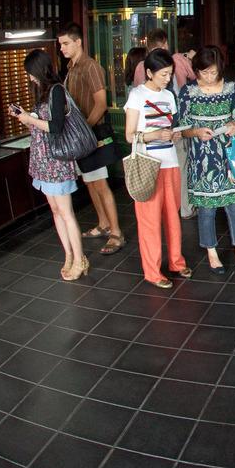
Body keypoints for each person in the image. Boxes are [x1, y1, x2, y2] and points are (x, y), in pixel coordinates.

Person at [13, 49, 87, 281]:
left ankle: (80, 258)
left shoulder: (56, 91)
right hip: (43, 160)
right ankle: (68, 255)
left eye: (30, 73)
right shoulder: (43, 93)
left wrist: (30, 119)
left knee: (66, 212)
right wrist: (26, 117)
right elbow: (42, 125)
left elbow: (55, 127)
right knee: (56, 211)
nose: (29, 78)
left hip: (56, 161)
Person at [178, 45, 235, 273]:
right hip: (202, 158)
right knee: (207, 208)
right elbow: (181, 128)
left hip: (229, 154)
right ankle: (212, 252)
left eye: (213, 73)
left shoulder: (230, 86)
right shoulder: (188, 91)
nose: (209, 78)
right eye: (204, 72)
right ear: (196, 70)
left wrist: (234, 125)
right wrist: (197, 132)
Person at [123, 47, 190, 288]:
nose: (167, 78)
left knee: (173, 217)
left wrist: (174, 135)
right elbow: (130, 136)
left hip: (170, 162)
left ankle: (176, 261)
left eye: (170, 74)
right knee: (150, 220)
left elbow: (171, 127)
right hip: (147, 165)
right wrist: (154, 136)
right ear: (149, 73)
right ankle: (152, 271)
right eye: (163, 74)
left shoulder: (169, 96)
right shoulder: (137, 96)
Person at [58, 23, 125, 256]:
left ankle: (116, 231)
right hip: (82, 136)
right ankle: (103, 223)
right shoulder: (71, 68)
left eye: (66, 43)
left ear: (78, 42)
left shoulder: (90, 67)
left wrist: (83, 130)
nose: (62, 48)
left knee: (100, 184)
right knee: (89, 182)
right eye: (60, 44)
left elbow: (101, 103)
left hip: (91, 135)